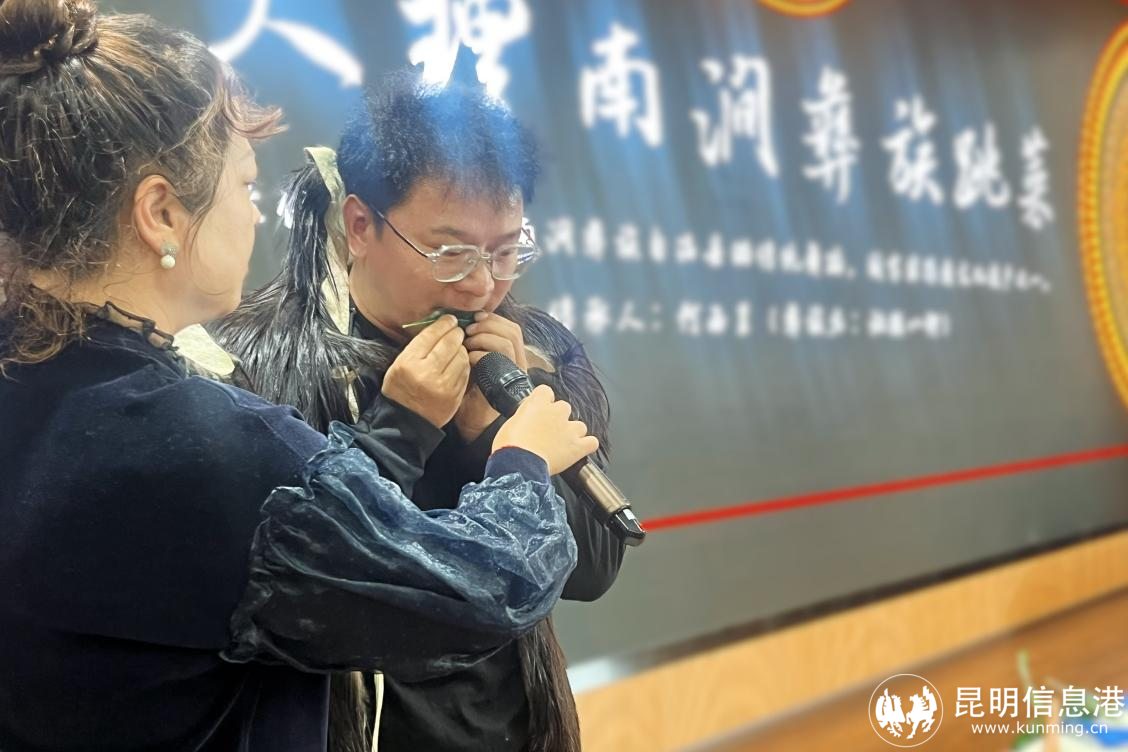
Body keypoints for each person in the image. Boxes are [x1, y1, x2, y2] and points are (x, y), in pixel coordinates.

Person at [0, 2, 600, 750]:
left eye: (506, 250)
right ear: (160, 213)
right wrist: (518, 459)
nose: (480, 280)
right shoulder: (207, 434)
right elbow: (479, 591)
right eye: (244, 188)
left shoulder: (39, 390)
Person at [212, 69, 626, 752]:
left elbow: (594, 569)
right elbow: (292, 589)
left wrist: (493, 435)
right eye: (451, 252)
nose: (482, 284)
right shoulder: (256, 363)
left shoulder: (539, 350)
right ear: (360, 225)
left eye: (506, 251)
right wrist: (400, 425)